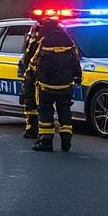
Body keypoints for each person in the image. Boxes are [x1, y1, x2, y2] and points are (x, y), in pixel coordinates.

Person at [29, 17, 83, 152]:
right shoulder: (68, 40)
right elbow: (75, 60)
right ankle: (66, 139)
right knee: (65, 110)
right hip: (65, 84)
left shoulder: (44, 40)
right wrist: (77, 77)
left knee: (45, 110)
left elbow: (34, 60)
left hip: (46, 85)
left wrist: (31, 73)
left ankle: (46, 141)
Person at [17, 23, 42, 137]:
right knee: (34, 102)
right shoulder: (62, 39)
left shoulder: (35, 38)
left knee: (32, 102)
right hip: (37, 75)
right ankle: (34, 128)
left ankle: (32, 129)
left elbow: (26, 58)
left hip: (34, 75)